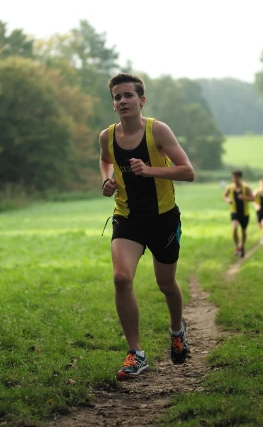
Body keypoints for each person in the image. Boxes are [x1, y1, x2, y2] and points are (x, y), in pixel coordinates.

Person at [99, 73, 195, 380]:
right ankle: (136, 354)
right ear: (113, 104)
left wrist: (149, 170)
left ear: (141, 101)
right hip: (127, 218)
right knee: (120, 278)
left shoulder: (158, 131)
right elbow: (105, 159)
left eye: (128, 95)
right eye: (117, 97)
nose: (122, 101)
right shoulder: (108, 136)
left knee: (166, 285)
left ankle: (177, 331)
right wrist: (107, 179)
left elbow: (188, 171)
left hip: (163, 218)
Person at [223, 170, 255, 257]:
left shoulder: (246, 188)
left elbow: (253, 198)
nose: (234, 179)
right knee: (234, 227)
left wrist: (244, 198)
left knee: (243, 231)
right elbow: (224, 196)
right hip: (234, 211)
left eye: (236, 177)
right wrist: (228, 200)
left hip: (244, 213)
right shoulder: (230, 187)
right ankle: (237, 247)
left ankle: (242, 245)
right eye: (233, 177)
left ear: (240, 178)